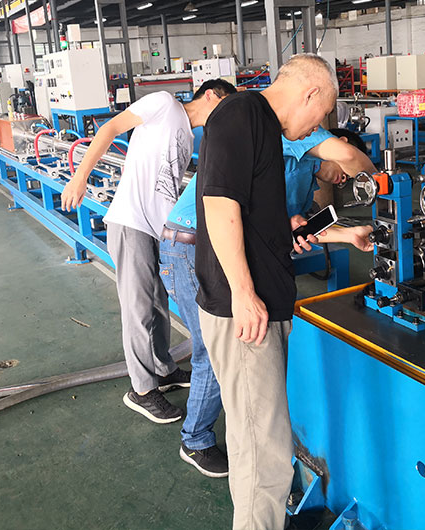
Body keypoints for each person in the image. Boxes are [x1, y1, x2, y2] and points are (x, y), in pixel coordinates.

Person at [163, 122, 375, 481]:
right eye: (344, 174)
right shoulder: (295, 137)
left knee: (228, 351)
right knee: (214, 353)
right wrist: (376, 177)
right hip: (192, 244)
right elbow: (346, 155)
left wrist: (348, 234)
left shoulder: (306, 182)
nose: (344, 180)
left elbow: (297, 229)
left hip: (220, 248)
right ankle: (195, 440)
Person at [195, 54, 340, 529]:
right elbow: (219, 204)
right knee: (267, 458)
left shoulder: (261, 127)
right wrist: (243, 292)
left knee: (255, 444)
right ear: (310, 92)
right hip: (245, 314)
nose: (316, 126)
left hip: (256, 307)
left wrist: (290, 226)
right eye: (322, 113)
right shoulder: (241, 113)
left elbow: (248, 212)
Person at [60, 80, 237, 425]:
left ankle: (163, 369)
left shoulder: (189, 136)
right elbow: (111, 128)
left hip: (158, 230)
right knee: (138, 308)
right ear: (211, 95)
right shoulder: (164, 103)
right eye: (226, 106)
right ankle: (142, 390)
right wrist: (80, 177)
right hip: (132, 222)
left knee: (158, 304)